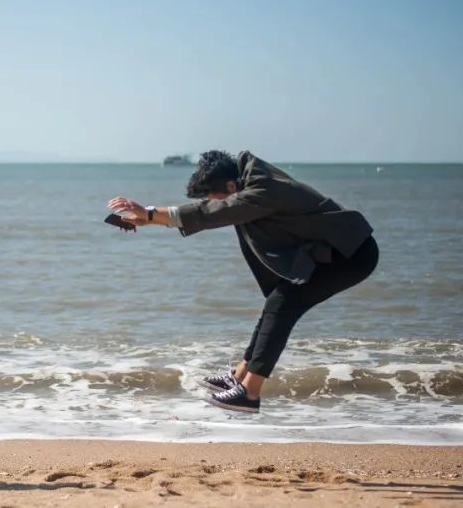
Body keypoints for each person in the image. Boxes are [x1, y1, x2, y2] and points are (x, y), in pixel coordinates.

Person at [108, 150, 378, 413]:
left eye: (213, 197)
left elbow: (218, 212)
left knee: (283, 305)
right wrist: (149, 220)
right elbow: (217, 210)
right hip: (330, 252)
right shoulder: (245, 183)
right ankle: (239, 378)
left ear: (229, 184)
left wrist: (151, 213)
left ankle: (249, 393)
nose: (212, 202)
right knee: (277, 304)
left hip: (351, 253)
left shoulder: (263, 189)